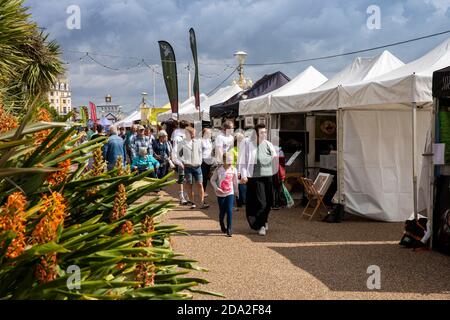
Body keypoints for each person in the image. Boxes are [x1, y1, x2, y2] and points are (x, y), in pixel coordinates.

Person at [238, 123, 277, 236]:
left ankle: (264, 220)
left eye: (265, 132)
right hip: (255, 177)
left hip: (269, 176)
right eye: (261, 132)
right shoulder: (248, 144)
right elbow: (241, 162)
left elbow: (275, 159)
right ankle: (261, 225)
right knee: (261, 202)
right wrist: (241, 176)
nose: (264, 134)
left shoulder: (269, 144)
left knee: (269, 202)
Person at [174, 126, 209, 210]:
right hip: (188, 167)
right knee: (189, 185)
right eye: (191, 133)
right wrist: (183, 161)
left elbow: (200, 152)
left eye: (193, 133)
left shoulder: (197, 142)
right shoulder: (182, 143)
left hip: (197, 166)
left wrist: (200, 161)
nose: (193, 135)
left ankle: (202, 202)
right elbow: (178, 155)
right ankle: (192, 202)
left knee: (200, 184)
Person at [210, 153, 239, 237]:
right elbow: (212, 180)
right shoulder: (218, 169)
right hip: (220, 193)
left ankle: (229, 229)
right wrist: (216, 188)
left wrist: (237, 193)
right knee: (222, 211)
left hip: (230, 193)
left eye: (231, 161)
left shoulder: (234, 169)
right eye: (228, 161)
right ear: (223, 161)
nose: (230, 163)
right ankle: (222, 223)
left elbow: (235, 182)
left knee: (229, 210)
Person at [171, 120, 190, 205]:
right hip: (181, 160)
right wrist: (178, 162)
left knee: (187, 179)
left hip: (187, 160)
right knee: (182, 178)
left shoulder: (188, 136)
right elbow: (175, 151)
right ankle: (182, 196)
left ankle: (186, 195)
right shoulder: (177, 137)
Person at [201, 128, 214, 194]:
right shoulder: (201, 141)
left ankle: (204, 190)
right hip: (203, 161)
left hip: (209, 161)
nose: (210, 134)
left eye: (210, 133)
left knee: (206, 177)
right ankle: (202, 191)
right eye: (208, 133)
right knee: (204, 178)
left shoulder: (209, 141)